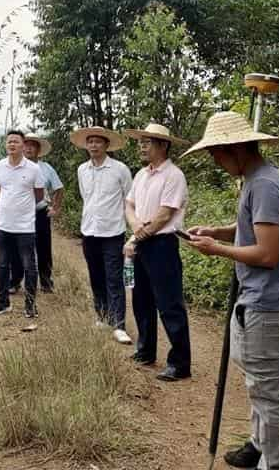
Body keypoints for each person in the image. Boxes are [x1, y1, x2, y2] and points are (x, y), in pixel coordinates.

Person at [184, 112, 279, 470]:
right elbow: (254, 230)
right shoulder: (256, 179)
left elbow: (267, 254)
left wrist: (217, 249)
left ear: (235, 149)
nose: (216, 163)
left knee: (268, 392)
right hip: (260, 298)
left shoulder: (264, 185)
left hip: (269, 302)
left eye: (217, 155)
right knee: (257, 381)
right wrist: (220, 232)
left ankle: (274, 462)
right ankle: (258, 444)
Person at [123, 122, 193, 382]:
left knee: (169, 303)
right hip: (141, 241)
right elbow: (129, 205)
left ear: (163, 145)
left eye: (148, 142)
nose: (142, 146)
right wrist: (135, 229)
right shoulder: (141, 175)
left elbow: (165, 215)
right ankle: (145, 350)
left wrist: (137, 235)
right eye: (141, 141)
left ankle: (180, 363)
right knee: (141, 299)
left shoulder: (174, 175)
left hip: (162, 244)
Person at [72, 126, 133, 345]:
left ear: (107, 145)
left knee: (114, 278)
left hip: (113, 232)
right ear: (86, 145)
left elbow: (129, 199)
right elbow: (85, 197)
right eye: (90, 142)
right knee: (96, 276)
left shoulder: (120, 170)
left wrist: (133, 232)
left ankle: (119, 325)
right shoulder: (82, 170)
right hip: (89, 230)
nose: (94, 146)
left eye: (98, 142)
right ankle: (103, 317)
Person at [0, 131, 45, 318]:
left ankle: (30, 304)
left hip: (25, 227)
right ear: (6, 145)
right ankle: (3, 302)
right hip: (3, 225)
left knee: (29, 266)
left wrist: (23, 207)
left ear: (23, 145)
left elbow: (39, 194)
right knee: (3, 265)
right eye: (9, 141)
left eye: (16, 141)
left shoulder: (33, 169)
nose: (12, 144)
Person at [8, 134, 64, 294]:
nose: (29, 148)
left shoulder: (46, 168)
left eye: (33, 145)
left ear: (38, 150)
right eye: (26, 145)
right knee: (17, 248)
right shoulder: (14, 166)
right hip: (19, 214)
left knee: (43, 248)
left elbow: (59, 188)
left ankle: (46, 282)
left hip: (40, 213)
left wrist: (55, 208)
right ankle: (15, 282)